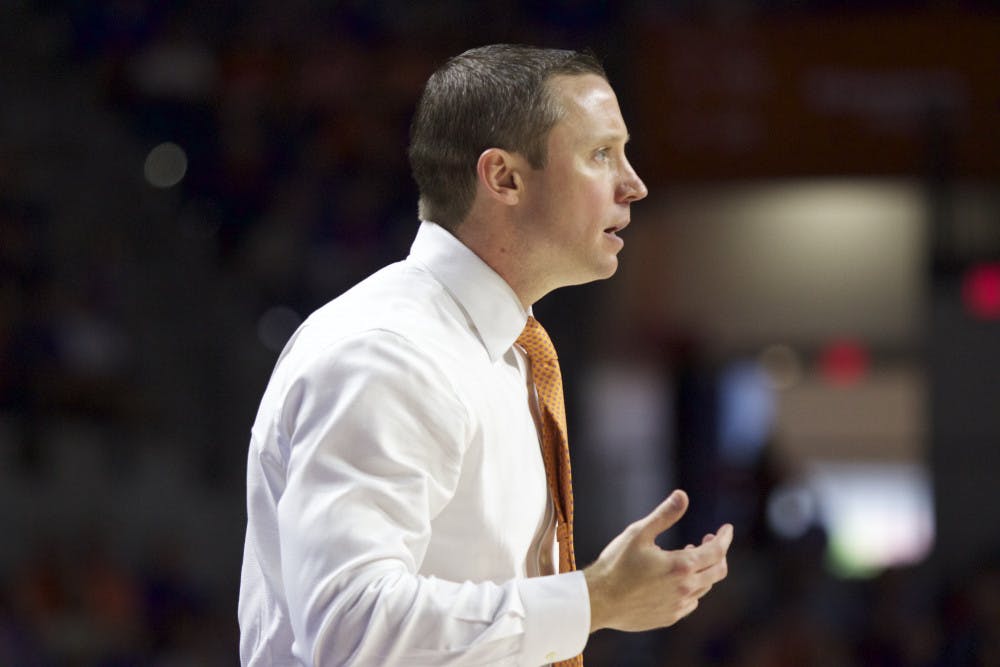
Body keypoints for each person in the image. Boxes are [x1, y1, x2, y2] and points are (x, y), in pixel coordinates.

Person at [238, 44, 733, 666]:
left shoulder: (505, 348)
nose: (633, 184)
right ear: (504, 177)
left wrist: (594, 600)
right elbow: (350, 629)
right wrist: (594, 601)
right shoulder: (386, 354)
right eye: (601, 154)